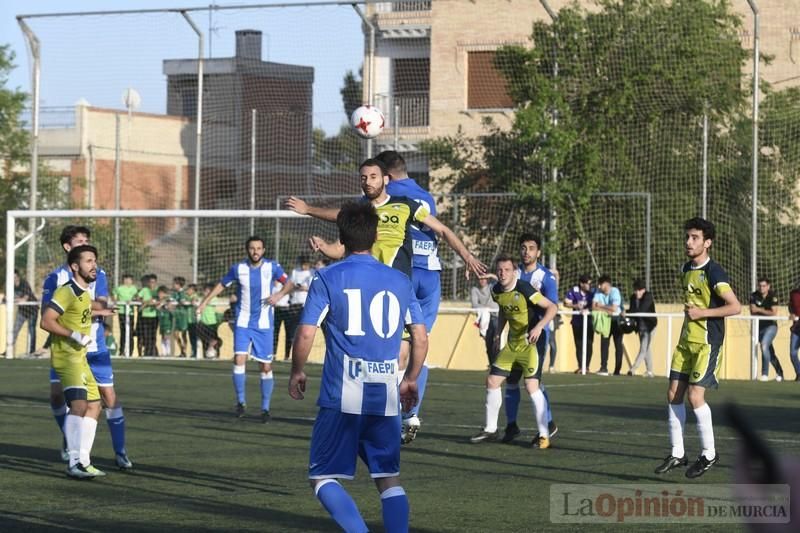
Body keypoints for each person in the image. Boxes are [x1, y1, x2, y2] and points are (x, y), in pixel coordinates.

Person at [287, 157, 486, 444]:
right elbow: (340, 242)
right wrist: (317, 231)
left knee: (408, 349)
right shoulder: (360, 213)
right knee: (370, 357)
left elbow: (442, 229)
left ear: (386, 180)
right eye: (363, 177)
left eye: (373, 176)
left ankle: (399, 410)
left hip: (398, 292)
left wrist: (467, 256)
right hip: (368, 293)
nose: (367, 181)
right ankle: (376, 417)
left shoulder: (405, 204)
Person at [288, 201, 427, 533]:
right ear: (377, 235)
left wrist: (297, 370)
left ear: (342, 237)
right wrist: (410, 380)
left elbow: (306, 332)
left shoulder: (327, 277)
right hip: (385, 394)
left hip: (342, 394)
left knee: (322, 476)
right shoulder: (399, 280)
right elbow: (420, 339)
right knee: (388, 478)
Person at [655, 217, 741, 478]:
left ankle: (709, 454)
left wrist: (702, 312)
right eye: (688, 237)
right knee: (673, 394)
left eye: (694, 238)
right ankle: (678, 453)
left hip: (707, 343)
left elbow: (735, 307)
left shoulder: (714, 272)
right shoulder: (685, 268)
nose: (688, 241)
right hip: (686, 342)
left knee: (695, 397)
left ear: (707, 243)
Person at [41, 225, 132, 470]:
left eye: (88, 242)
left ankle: (117, 451)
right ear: (68, 249)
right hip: (68, 350)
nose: (85, 245)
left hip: (94, 347)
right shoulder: (58, 281)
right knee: (63, 398)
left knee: (103, 400)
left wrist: (98, 309)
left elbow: (100, 301)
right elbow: (47, 316)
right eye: (80, 242)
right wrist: (83, 318)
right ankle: (74, 450)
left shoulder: (95, 275)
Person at [196, 236, 295, 421]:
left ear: (263, 250)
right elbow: (221, 285)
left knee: (265, 366)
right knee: (239, 358)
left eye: (258, 248)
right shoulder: (238, 269)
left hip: (264, 324)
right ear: (247, 250)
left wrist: (279, 295)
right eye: (252, 248)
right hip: (243, 322)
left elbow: (289, 283)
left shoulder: (272, 267)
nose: (255, 251)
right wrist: (204, 302)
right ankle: (241, 402)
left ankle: (265, 409)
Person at [470, 254, 558, 449]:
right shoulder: (496, 291)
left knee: (531, 386)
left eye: (507, 270)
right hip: (512, 344)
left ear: (514, 272)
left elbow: (552, 307)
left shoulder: (525, 289)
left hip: (530, 344)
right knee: (492, 380)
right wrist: (497, 335)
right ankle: (491, 430)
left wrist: (539, 327)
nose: (503, 273)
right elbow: (503, 310)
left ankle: (544, 435)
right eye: (500, 270)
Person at [40, 245, 106, 478]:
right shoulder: (66, 291)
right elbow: (46, 321)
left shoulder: (85, 291)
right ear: (75, 266)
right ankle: (73, 462)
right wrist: (73, 334)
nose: (94, 265)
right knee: (78, 406)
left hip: (80, 358)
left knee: (95, 405)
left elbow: (81, 311)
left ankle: (84, 461)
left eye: (94, 260)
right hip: (67, 357)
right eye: (88, 261)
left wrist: (100, 310)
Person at [501, 234, 557, 444]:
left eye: (531, 248)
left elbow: (552, 307)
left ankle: (548, 424)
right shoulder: (513, 274)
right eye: (523, 248)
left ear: (538, 252)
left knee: (534, 382)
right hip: (516, 338)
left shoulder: (546, 277)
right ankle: (511, 425)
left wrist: (539, 328)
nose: (527, 252)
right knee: (512, 380)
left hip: (536, 337)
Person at [750, 277, 784, 382]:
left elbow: (773, 312)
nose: (761, 288)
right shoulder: (754, 295)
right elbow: (752, 311)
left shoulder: (772, 296)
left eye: (764, 286)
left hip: (771, 326)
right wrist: (765, 310)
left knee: (764, 345)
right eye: (760, 286)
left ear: (768, 286)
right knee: (769, 351)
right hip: (758, 327)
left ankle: (764, 374)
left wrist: (759, 309)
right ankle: (780, 373)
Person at [592, 275, 625, 376]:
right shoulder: (598, 293)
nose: (599, 287)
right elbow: (593, 306)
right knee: (604, 344)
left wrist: (601, 306)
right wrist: (606, 309)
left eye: (600, 284)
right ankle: (603, 368)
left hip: (616, 321)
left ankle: (617, 370)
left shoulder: (615, 292)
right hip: (605, 321)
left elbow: (614, 309)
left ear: (606, 284)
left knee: (618, 344)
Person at [285, 255, 314, 361]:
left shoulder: (312, 273)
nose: (304, 266)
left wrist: (304, 288)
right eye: (303, 264)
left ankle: (303, 355)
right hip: (294, 303)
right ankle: (290, 355)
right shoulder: (295, 272)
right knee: (292, 330)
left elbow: (313, 288)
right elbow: (289, 285)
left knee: (304, 331)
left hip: (305, 304)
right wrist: (295, 287)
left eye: (306, 264)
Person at [564, 275, 595, 373]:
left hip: (589, 322)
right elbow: (566, 303)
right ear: (581, 284)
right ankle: (581, 366)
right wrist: (575, 305)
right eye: (588, 283)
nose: (589, 285)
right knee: (579, 344)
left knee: (589, 344)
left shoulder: (593, 292)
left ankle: (587, 366)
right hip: (577, 322)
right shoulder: (574, 290)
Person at [627, 278, 657, 377]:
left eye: (638, 290)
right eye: (635, 290)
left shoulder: (648, 296)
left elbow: (641, 310)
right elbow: (632, 311)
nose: (636, 292)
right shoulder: (632, 298)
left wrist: (628, 313)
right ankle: (650, 371)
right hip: (640, 327)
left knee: (643, 348)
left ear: (643, 290)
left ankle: (633, 369)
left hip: (650, 327)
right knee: (646, 349)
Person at [471, 275, 499, 365]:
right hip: (484, 319)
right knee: (488, 343)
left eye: (484, 278)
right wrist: (485, 308)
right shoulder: (475, 290)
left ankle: (497, 364)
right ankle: (492, 364)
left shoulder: (492, 286)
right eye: (480, 279)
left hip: (496, 317)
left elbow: (500, 281)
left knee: (497, 341)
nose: (482, 281)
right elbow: (474, 305)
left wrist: (491, 275)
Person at [10, 269, 39, 354]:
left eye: (15, 277)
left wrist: (15, 300)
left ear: (18, 276)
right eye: (12, 277)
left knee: (32, 330)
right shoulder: (10, 286)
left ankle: (32, 351)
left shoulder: (24, 283)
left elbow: (25, 298)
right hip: (22, 311)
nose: (13, 279)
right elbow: (6, 297)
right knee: (15, 329)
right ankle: (9, 349)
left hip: (32, 310)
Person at [112, 274, 138, 357]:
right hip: (122, 312)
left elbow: (137, 297)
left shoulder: (134, 289)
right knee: (123, 332)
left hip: (130, 313)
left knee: (130, 332)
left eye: (129, 279)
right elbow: (114, 298)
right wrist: (115, 306)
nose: (127, 281)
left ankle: (130, 351)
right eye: (126, 279)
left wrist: (133, 300)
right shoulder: (119, 288)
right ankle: (122, 351)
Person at [197, 283, 222, 358]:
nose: (204, 292)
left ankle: (215, 354)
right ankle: (206, 354)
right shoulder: (201, 298)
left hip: (211, 323)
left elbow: (208, 302)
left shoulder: (214, 298)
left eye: (207, 291)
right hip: (203, 322)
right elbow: (196, 301)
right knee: (204, 340)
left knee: (213, 339)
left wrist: (203, 302)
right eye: (204, 291)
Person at [135, 274, 159, 357]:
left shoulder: (157, 291)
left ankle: (151, 352)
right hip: (145, 316)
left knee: (153, 336)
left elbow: (164, 297)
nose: (152, 284)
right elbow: (137, 298)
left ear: (156, 283)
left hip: (154, 316)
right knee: (145, 335)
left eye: (154, 282)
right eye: (150, 282)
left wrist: (156, 302)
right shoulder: (145, 290)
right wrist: (146, 302)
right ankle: (146, 352)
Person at [272, 280, 292, 360]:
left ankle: (287, 355)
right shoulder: (271, 284)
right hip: (276, 309)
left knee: (288, 333)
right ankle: (273, 354)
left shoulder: (286, 284)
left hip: (286, 309)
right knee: (275, 333)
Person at [172, 277, 190, 357]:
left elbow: (182, 302)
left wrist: (176, 303)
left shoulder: (182, 293)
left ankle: (184, 351)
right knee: (175, 334)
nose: (173, 285)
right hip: (177, 315)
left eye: (175, 283)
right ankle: (182, 349)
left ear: (179, 285)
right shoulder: (174, 293)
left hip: (183, 315)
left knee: (183, 334)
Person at [156, 286, 174, 357]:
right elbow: (157, 308)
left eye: (161, 293)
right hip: (162, 322)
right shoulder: (160, 301)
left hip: (167, 321)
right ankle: (163, 352)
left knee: (167, 336)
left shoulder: (169, 300)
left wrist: (166, 303)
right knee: (163, 336)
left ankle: (168, 352)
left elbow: (171, 308)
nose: (159, 295)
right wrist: (161, 303)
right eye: (159, 293)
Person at [789, 280, 800, 381]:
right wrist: (792, 313)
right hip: (797, 328)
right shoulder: (793, 293)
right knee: (793, 353)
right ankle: (799, 373)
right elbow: (791, 306)